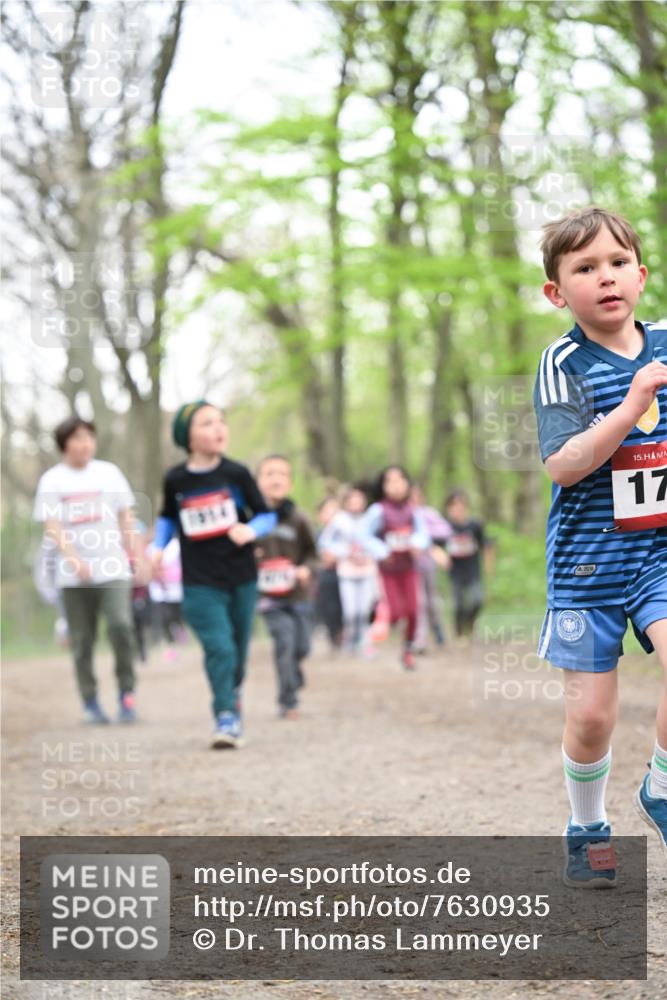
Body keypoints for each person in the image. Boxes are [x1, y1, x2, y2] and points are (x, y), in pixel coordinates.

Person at [533, 206, 667, 885]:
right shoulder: (563, 364)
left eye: (616, 263)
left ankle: (662, 790)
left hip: (659, 554)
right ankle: (586, 826)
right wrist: (630, 402)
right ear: (558, 292)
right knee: (590, 717)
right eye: (584, 269)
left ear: (640, 276)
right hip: (586, 564)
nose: (604, 278)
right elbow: (561, 463)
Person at [152, 402, 276, 749]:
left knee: (236, 650)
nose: (219, 429)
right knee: (219, 647)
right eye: (207, 424)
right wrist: (156, 549)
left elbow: (266, 516)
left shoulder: (236, 473)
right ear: (187, 437)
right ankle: (225, 715)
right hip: (199, 581)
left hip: (241, 576)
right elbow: (167, 519)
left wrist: (250, 531)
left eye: (221, 422)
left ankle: (230, 698)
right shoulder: (175, 479)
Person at [33, 416, 138, 724]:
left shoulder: (109, 474)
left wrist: (133, 552)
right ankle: (90, 701)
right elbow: (52, 525)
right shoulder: (52, 480)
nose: (85, 444)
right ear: (64, 443)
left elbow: (125, 515)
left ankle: (126, 694)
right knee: (82, 640)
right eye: (78, 438)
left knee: (121, 626)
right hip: (73, 575)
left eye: (89, 437)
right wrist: (73, 558)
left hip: (113, 567)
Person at [255, 454, 318, 719]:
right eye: (269, 474)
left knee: (302, 646)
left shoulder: (299, 518)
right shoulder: (251, 518)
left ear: (290, 483)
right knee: (284, 641)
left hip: (298, 595)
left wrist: (306, 569)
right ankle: (288, 701)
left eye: (281, 474)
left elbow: (314, 554)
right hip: (269, 598)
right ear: (258, 482)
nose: (275, 479)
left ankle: (294, 671)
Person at [362, 465, 430, 670]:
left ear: (407, 484)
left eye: (400, 480)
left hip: (409, 568)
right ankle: (374, 617)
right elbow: (364, 535)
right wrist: (382, 551)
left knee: (413, 611)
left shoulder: (413, 510)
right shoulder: (378, 510)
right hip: (388, 570)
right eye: (390, 481)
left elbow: (423, 534)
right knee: (395, 612)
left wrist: (417, 544)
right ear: (383, 486)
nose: (396, 486)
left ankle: (407, 651)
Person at [318, 484, 379, 658]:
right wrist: (344, 552)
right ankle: (350, 642)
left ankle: (364, 644)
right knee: (351, 612)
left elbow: (379, 541)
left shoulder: (370, 519)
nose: (355, 503)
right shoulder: (339, 521)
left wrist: (375, 553)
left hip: (367, 571)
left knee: (364, 611)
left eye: (359, 500)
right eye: (352, 500)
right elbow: (326, 542)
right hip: (347, 572)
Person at [443, 489, 494, 640]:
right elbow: (436, 546)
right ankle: (458, 633)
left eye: (460, 506)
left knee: (477, 600)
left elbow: (486, 544)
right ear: (448, 508)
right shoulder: (445, 527)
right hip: (455, 572)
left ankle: (471, 623)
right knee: (458, 604)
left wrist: (489, 566)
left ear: (466, 507)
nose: (457, 509)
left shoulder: (475, 525)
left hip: (473, 571)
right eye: (453, 506)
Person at [410, 484, 451, 652]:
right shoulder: (403, 516)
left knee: (431, 600)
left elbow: (445, 530)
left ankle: (438, 630)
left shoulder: (428, 514)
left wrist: (425, 536)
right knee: (420, 602)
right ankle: (420, 640)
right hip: (410, 567)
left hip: (428, 564)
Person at [148, 536, 185, 663]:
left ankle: (180, 630)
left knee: (176, 617)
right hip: (158, 591)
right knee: (164, 618)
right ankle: (170, 646)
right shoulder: (152, 547)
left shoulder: (177, 546)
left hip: (176, 589)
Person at [314, 496, 344, 650]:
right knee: (328, 607)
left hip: (346, 574)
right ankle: (333, 636)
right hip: (325, 575)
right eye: (328, 511)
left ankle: (343, 635)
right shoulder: (317, 534)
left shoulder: (345, 533)